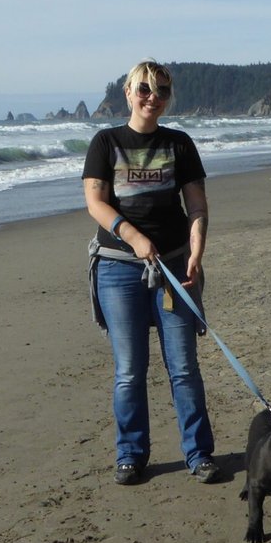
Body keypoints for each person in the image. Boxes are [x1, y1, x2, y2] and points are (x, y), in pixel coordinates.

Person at [83, 60, 221, 486]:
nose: (152, 97)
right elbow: (97, 204)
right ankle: (131, 455)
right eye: (143, 88)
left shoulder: (179, 144)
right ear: (128, 92)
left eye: (161, 90)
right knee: (130, 370)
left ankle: (198, 453)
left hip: (175, 266)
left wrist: (196, 252)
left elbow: (197, 206)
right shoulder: (106, 142)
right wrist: (134, 238)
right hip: (118, 268)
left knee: (183, 368)